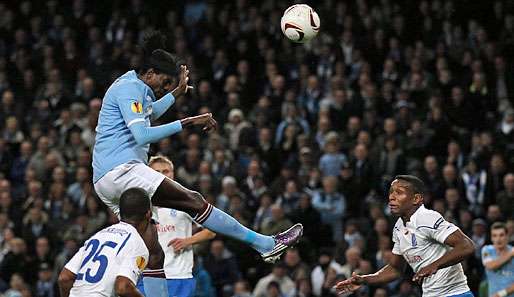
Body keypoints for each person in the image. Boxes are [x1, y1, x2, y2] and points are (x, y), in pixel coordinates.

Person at [91, 31, 302, 297]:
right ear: (151, 73)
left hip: (106, 181)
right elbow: (142, 134)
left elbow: (149, 112)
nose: (164, 89)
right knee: (193, 201)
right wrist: (189, 122)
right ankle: (265, 244)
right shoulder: (131, 89)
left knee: (153, 251)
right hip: (121, 171)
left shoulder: (133, 86)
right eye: (165, 83)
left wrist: (177, 94)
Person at [335, 175, 476, 297]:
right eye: (391, 192)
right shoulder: (398, 227)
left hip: (455, 294)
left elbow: (466, 245)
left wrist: (434, 265)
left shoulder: (426, 217)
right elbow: (396, 269)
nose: (391, 197)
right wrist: (364, 279)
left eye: (399, 192)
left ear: (416, 198)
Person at [137, 156, 216, 297]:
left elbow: (212, 230)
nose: (162, 175)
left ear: (172, 174)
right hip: (146, 275)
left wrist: (187, 241)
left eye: (166, 171)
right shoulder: (139, 205)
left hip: (178, 275)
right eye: (157, 171)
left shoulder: (185, 201)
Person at [57, 188, 153, 297]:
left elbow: (64, 278)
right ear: (148, 214)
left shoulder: (98, 235)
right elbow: (123, 288)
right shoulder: (137, 245)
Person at [481, 222, 514, 297]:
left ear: (507, 236)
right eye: (494, 236)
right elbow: (490, 266)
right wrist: (510, 254)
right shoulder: (486, 250)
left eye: (501, 235)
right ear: (491, 238)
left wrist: (501, 294)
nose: (498, 239)